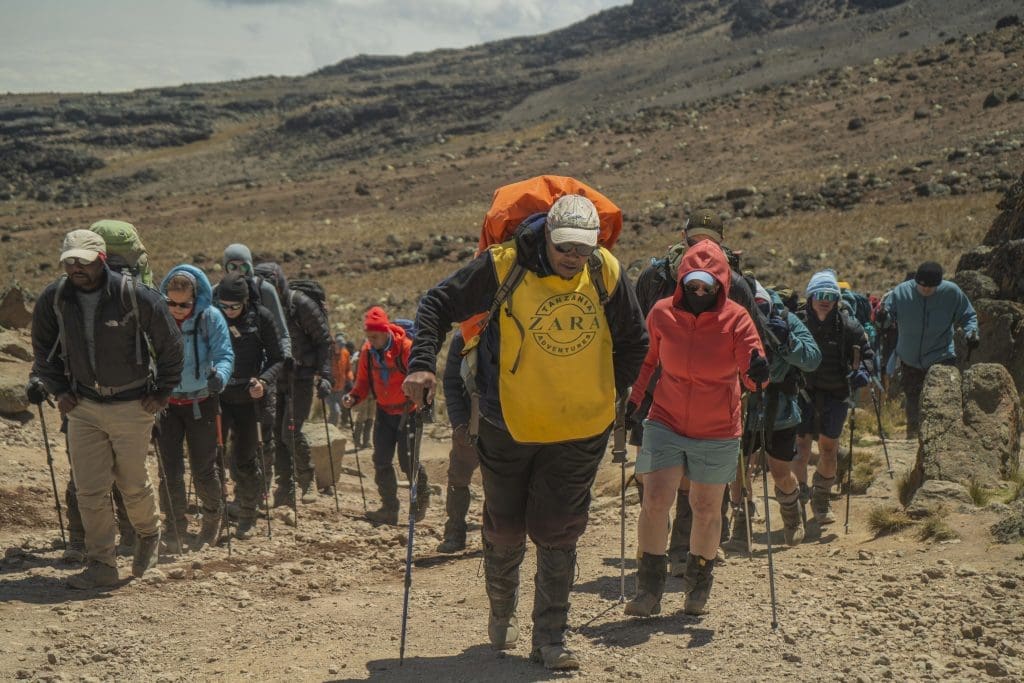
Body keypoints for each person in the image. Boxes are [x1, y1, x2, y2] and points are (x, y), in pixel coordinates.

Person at [402, 194, 648, 670]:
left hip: (580, 428)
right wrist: (421, 365)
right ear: (548, 236)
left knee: (559, 530)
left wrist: (604, 392)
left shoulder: (606, 272)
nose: (574, 258)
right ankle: (502, 607)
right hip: (507, 424)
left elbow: (635, 340)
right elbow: (437, 303)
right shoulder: (504, 266)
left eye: (584, 248)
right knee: (506, 523)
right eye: (565, 248)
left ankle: (551, 638)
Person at [31, 229, 183, 589]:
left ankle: (148, 533)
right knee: (89, 489)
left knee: (132, 483)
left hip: (132, 403)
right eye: (69, 260)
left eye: (82, 261)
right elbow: (42, 349)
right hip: (82, 405)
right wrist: (60, 391)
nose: (75, 267)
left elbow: (171, 347)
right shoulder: (54, 298)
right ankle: (102, 563)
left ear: (100, 259)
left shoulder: (135, 295)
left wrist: (161, 394)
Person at [624, 240, 766, 618]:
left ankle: (698, 588)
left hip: (718, 426)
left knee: (705, 507)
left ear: (721, 285)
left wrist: (758, 373)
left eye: (708, 287)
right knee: (654, 499)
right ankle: (648, 591)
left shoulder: (736, 318)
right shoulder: (660, 313)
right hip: (665, 419)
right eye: (693, 285)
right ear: (682, 281)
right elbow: (648, 362)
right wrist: (633, 402)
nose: (700, 293)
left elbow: (753, 372)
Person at [729, 282, 821, 547]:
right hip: (740, 404)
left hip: (778, 406)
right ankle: (741, 523)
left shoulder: (785, 319)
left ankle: (792, 517)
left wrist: (786, 342)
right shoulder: (729, 314)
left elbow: (812, 358)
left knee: (780, 469)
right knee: (738, 468)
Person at [156, 265, 235, 552]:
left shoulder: (209, 317)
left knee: (203, 469)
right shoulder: (158, 317)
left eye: (184, 304)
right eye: (172, 302)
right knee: (170, 469)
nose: (177, 309)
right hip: (166, 403)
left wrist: (221, 377)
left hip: (201, 402)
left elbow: (225, 353)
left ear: (196, 297)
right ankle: (174, 525)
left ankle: (213, 519)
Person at [794, 269, 875, 525]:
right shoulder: (797, 322)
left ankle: (822, 497)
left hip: (835, 394)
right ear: (811, 295)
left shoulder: (849, 326)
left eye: (831, 294)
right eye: (820, 293)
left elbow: (868, 354)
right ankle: (800, 493)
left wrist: (863, 371)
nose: (825, 299)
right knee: (801, 447)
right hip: (802, 394)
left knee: (829, 449)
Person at [253, 263, 333, 506]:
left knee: (291, 432)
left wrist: (326, 376)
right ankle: (284, 490)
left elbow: (324, 341)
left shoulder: (300, 305)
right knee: (276, 435)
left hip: (301, 378)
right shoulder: (259, 307)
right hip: (275, 378)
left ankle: (307, 482)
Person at [342, 306, 430, 525]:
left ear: (385, 331)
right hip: (384, 412)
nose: (370, 340)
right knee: (380, 460)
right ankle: (389, 508)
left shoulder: (406, 347)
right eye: (368, 336)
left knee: (407, 461)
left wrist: (422, 403)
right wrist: (353, 397)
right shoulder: (367, 352)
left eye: (374, 336)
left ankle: (421, 498)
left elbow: (422, 376)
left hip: (408, 412)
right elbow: (362, 382)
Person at [215, 272, 286, 538]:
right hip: (219, 395)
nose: (229, 311)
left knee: (245, 458)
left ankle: (248, 513)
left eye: (234, 306)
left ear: (245, 301)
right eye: (224, 305)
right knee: (214, 457)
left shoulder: (262, 318)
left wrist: (264, 382)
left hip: (249, 398)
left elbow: (278, 358)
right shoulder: (213, 317)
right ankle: (216, 513)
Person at [881, 261, 978, 439]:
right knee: (913, 399)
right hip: (909, 358)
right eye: (921, 286)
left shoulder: (951, 293)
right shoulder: (901, 292)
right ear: (916, 281)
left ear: (939, 284)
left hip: (941, 356)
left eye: (931, 287)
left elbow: (968, 315)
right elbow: (887, 316)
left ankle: (943, 440)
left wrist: (971, 333)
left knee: (941, 401)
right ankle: (913, 438)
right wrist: (882, 318)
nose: (925, 290)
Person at [436, 330, 479, 554]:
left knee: (502, 482)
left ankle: (501, 539)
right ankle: (454, 532)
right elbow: (451, 382)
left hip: (508, 420)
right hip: (470, 417)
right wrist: (459, 422)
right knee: (458, 477)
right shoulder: (463, 335)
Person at [349, 343, 375, 448]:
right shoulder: (357, 360)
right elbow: (352, 376)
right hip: (362, 391)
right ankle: (356, 440)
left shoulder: (377, 359)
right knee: (361, 417)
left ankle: (366, 441)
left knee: (370, 417)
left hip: (373, 392)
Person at [328, 333, 353, 427]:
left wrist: (350, 380)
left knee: (338, 410)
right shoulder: (328, 354)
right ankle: (331, 432)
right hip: (329, 389)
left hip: (340, 389)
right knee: (335, 411)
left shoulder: (345, 353)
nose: (341, 347)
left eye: (343, 345)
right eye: (340, 345)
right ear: (335, 344)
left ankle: (332, 429)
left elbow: (348, 369)